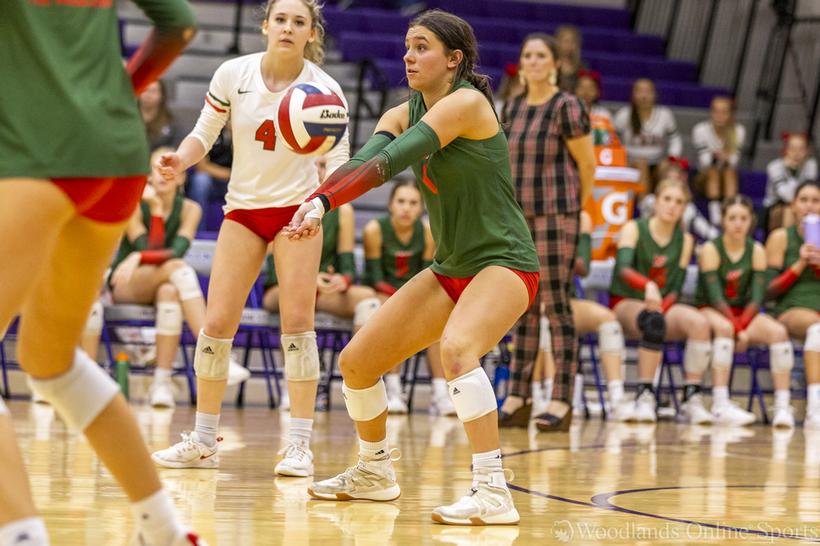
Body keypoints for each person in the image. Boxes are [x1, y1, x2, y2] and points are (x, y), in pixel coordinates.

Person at [287, 9, 540, 525]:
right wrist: (316, 200)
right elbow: (365, 160)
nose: (408, 56)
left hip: (505, 262)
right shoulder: (403, 111)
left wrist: (324, 204)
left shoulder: (466, 104)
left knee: (458, 350)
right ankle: (374, 471)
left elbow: (393, 162)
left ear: (454, 60)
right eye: (407, 46)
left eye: (422, 47)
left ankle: (494, 491)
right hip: (451, 267)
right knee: (357, 363)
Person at [0, 2, 202, 546]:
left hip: (37, 150)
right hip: (117, 153)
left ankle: (21, 537)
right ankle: (165, 532)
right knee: (50, 361)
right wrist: (110, 94)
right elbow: (180, 22)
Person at [151, 0, 350, 479]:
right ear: (265, 26)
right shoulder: (233, 73)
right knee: (217, 323)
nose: (288, 28)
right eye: (280, 19)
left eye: (299, 22)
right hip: (242, 210)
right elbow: (204, 133)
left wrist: (320, 203)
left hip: (297, 212)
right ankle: (204, 440)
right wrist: (180, 160)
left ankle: (299, 445)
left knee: (297, 325)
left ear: (311, 33)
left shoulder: (325, 90)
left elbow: (341, 161)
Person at [498, 33, 595, 432]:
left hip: (557, 215)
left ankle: (561, 398)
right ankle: (519, 396)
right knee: (521, 305)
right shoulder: (512, 107)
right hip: (519, 217)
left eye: (541, 55)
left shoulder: (566, 106)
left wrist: (576, 209)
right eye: (528, 55)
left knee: (556, 305)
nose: (534, 61)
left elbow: (587, 166)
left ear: (555, 64)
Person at [104, 147, 248, 408]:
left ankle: (161, 384)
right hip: (127, 284)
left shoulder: (191, 209)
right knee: (178, 268)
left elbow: (178, 250)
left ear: (181, 176)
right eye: (156, 168)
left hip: (165, 282)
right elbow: (152, 249)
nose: (162, 174)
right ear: (148, 175)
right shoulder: (134, 205)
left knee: (170, 292)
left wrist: (139, 256)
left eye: (169, 168)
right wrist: (155, 210)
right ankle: (215, 354)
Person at [263, 158, 381, 410]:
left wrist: (343, 279)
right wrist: (306, 278)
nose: (317, 170)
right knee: (292, 297)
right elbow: (273, 271)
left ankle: (359, 380)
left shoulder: (343, 211)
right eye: (313, 164)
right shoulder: (282, 201)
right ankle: (291, 382)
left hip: (323, 289)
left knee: (369, 300)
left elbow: (347, 264)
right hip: (281, 287)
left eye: (323, 165)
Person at [609, 178, 711, 422]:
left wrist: (662, 307)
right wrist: (648, 285)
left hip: (662, 306)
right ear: (655, 202)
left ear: (684, 208)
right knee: (654, 321)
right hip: (627, 302)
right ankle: (645, 395)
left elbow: (675, 288)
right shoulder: (634, 228)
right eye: (667, 199)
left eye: (679, 202)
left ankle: (691, 398)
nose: (672, 206)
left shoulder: (686, 240)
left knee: (699, 323)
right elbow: (623, 269)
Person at [516, 211, 632, 422]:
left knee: (608, 320)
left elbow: (583, 267)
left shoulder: (581, 217)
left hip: (563, 299)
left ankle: (617, 398)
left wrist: (560, 251)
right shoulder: (527, 211)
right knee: (543, 316)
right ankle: (543, 394)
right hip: (525, 298)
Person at [693, 196, 788, 426]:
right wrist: (739, 330)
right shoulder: (710, 249)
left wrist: (742, 327)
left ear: (751, 221)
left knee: (778, 332)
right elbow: (716, 298)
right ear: (723, 220)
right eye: (732, 218)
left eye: (743, 218)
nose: (738, 224)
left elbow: (756, 298)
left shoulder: (756, 250)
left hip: (743, 313)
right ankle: (720, 404)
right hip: (711, 310)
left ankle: (782, 407)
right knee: (725, 329)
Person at [363, 179, 455, 416]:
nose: (406, 208)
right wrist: (402, 303)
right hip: (383, 294)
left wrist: (412, 302)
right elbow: (375, 279)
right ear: (390, 204)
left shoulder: (427, 232)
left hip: (415, 294)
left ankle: (440, 394)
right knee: (393, 316)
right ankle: (393, 390)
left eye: (413, 203)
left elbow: (427, 276)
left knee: (437, 322)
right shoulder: (374, 230)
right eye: (401, 201)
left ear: (422, 207)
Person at [766, 181, 820, 428]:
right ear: (793, 205)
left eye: (816, 201)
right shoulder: (781, 237)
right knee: (818, 330)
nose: (810, 206)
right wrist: (799, 264)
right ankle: (815, 409)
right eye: (804, 200)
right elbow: (768, 291)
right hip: (791, 309)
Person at [613, 78, 683, 193]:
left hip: (656, 162)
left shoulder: (665, 114)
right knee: (642, 165)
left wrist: (673, 157)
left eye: (648, 91)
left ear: (655, 94)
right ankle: (644, 201)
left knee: (668, 167)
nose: (644, 96)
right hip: (631, 163)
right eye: (639, 91)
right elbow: (612, 139)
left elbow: (675, 138)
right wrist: (620, 159)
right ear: (633, 95)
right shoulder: (623, 114)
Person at [692, 96, 745, 226]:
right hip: (703, 179)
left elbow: (735, 161)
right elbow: (704, 162)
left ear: (731, 114)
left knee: (729, 171)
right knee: (713, 171)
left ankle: (730, 212)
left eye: (724, 112)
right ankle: (716, 218)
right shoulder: (700, 130)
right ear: (711, 113)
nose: (720, 116)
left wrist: (726, 158)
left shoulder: (738, 131)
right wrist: (715, 157)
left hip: (727, 176)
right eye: (716, 111)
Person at [639, 158, 719, 242]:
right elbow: (642, 226)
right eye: (667, 199)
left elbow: (708, 231)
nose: (672, 205)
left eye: (676, 179)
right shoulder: (650, 201)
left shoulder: (689, 208)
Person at [764, 133, 817, 232]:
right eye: (793, 149)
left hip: (802, 201)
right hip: (775, 204)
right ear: (786, 150)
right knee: (789, 210)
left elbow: (809, 190)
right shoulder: (774, 166)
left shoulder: (811, 164)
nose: (796, 153)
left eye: (801, 149)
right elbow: (788, 196)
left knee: (810, 207)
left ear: (807, 151)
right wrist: (792, 172)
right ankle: (786, 239)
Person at [188, 127, 232, 230]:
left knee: (249, 183)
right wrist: (230, 174)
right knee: (200, 180)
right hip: (213, 181)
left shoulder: (248, 134)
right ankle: (198, 233)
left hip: (238, 182)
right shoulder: (212, 128)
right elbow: (201, 166)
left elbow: (247, 171)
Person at [140, 79, 182, 151]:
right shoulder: (128, 119)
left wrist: (167, 150)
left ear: (162, 95)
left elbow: (179, 143)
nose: (148, 95)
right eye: (144, 90)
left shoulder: (171, 122)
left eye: (153, 91)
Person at [555, 25, 584, 93]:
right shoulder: (550, 64)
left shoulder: (582, 67)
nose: (569, 45)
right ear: (558, 42)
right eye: (566, 41)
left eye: (572, 42)